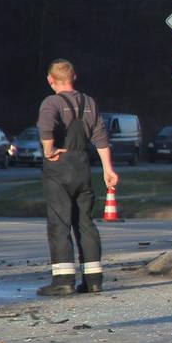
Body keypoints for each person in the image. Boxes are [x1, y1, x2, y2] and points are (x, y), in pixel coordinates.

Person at [35, 59, 119, 296]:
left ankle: (63, 281)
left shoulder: (50, 103)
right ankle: (93, 280)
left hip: (59, 169)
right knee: (85, 223)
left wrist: (49, 151)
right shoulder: (89, 102)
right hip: (83, 167)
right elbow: (100, 137)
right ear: (74, 77)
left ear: (50, 80)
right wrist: (108, 169)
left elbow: (46, 129)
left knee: (60, 223)